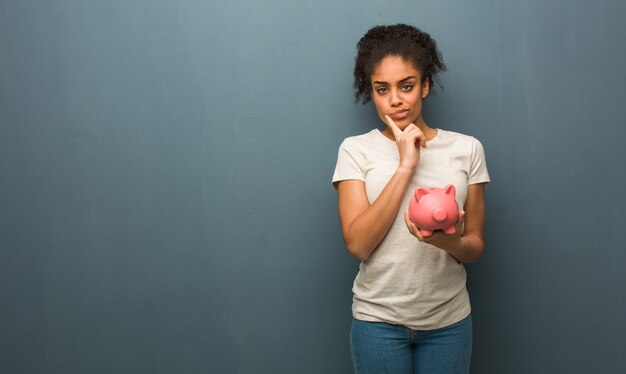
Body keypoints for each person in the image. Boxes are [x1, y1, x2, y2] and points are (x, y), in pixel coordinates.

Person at [332, 24, 490, 374]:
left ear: (425, 86)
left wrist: (450, 243)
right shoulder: (355, 150)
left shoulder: (467, 149)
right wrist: (406, 166)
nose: (395, 100)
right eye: (381, 89)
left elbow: (475, 245)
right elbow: (358, 244)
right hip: (378, 322)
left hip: (448, 322)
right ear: (370, 92)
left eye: (406, 86)